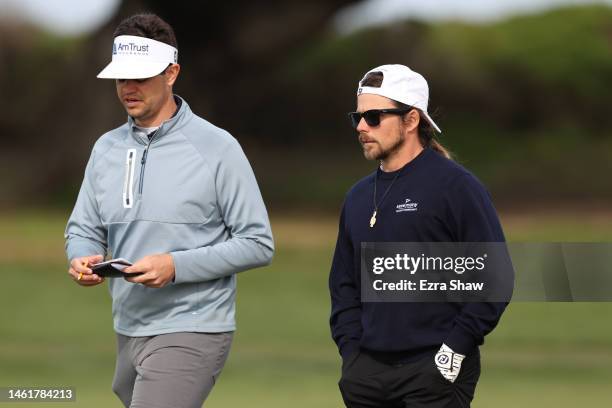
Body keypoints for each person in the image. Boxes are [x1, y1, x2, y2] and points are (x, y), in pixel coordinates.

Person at [64, 13, 274, 408]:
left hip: (193, 326)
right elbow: (83, 228)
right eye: (121, 78)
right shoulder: (105, 149)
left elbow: (258, 243)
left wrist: (175, 265)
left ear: (172, 72)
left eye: (140, 77)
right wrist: (80, 258)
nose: (128, 88)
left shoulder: (218, 147)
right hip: (127, 328)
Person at [329, 64, 510, 407]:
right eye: (358, 117)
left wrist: (454, 349)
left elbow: (494, 277)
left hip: (435, 370)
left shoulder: (456, 187)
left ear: (411, 120)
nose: (362, 127)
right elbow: (344, 285)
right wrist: (352, 356)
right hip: (368, 374)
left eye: (375, 117)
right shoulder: (356, 196)